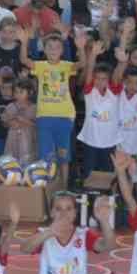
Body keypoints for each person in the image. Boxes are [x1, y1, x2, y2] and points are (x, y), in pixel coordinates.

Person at [30, 32, 78, 188]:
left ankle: (63, 189)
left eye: (57, 47)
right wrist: (25, 42)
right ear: (44, 49)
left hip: (65, 116)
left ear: (62, 50)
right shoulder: (40, 66)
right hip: (44, 116)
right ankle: (48, 190)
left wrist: (81, 47)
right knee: (47, 158)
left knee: (63, 156)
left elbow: (82, 64)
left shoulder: (66, 65)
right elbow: (24, 60)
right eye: (49, 47)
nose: (53, 50)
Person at [77, 52, 120, 176]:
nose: (100, 81)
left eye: (104, 78)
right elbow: (90, 70)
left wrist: (121, 62)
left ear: (109, 80)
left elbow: (118, 74)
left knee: (108, 175)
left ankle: (108, 190)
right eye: (97, 78)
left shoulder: (113, 92)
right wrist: (93, 55)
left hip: (109, 142)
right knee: (89, 174)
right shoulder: (90, 92)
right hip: (90, 141)